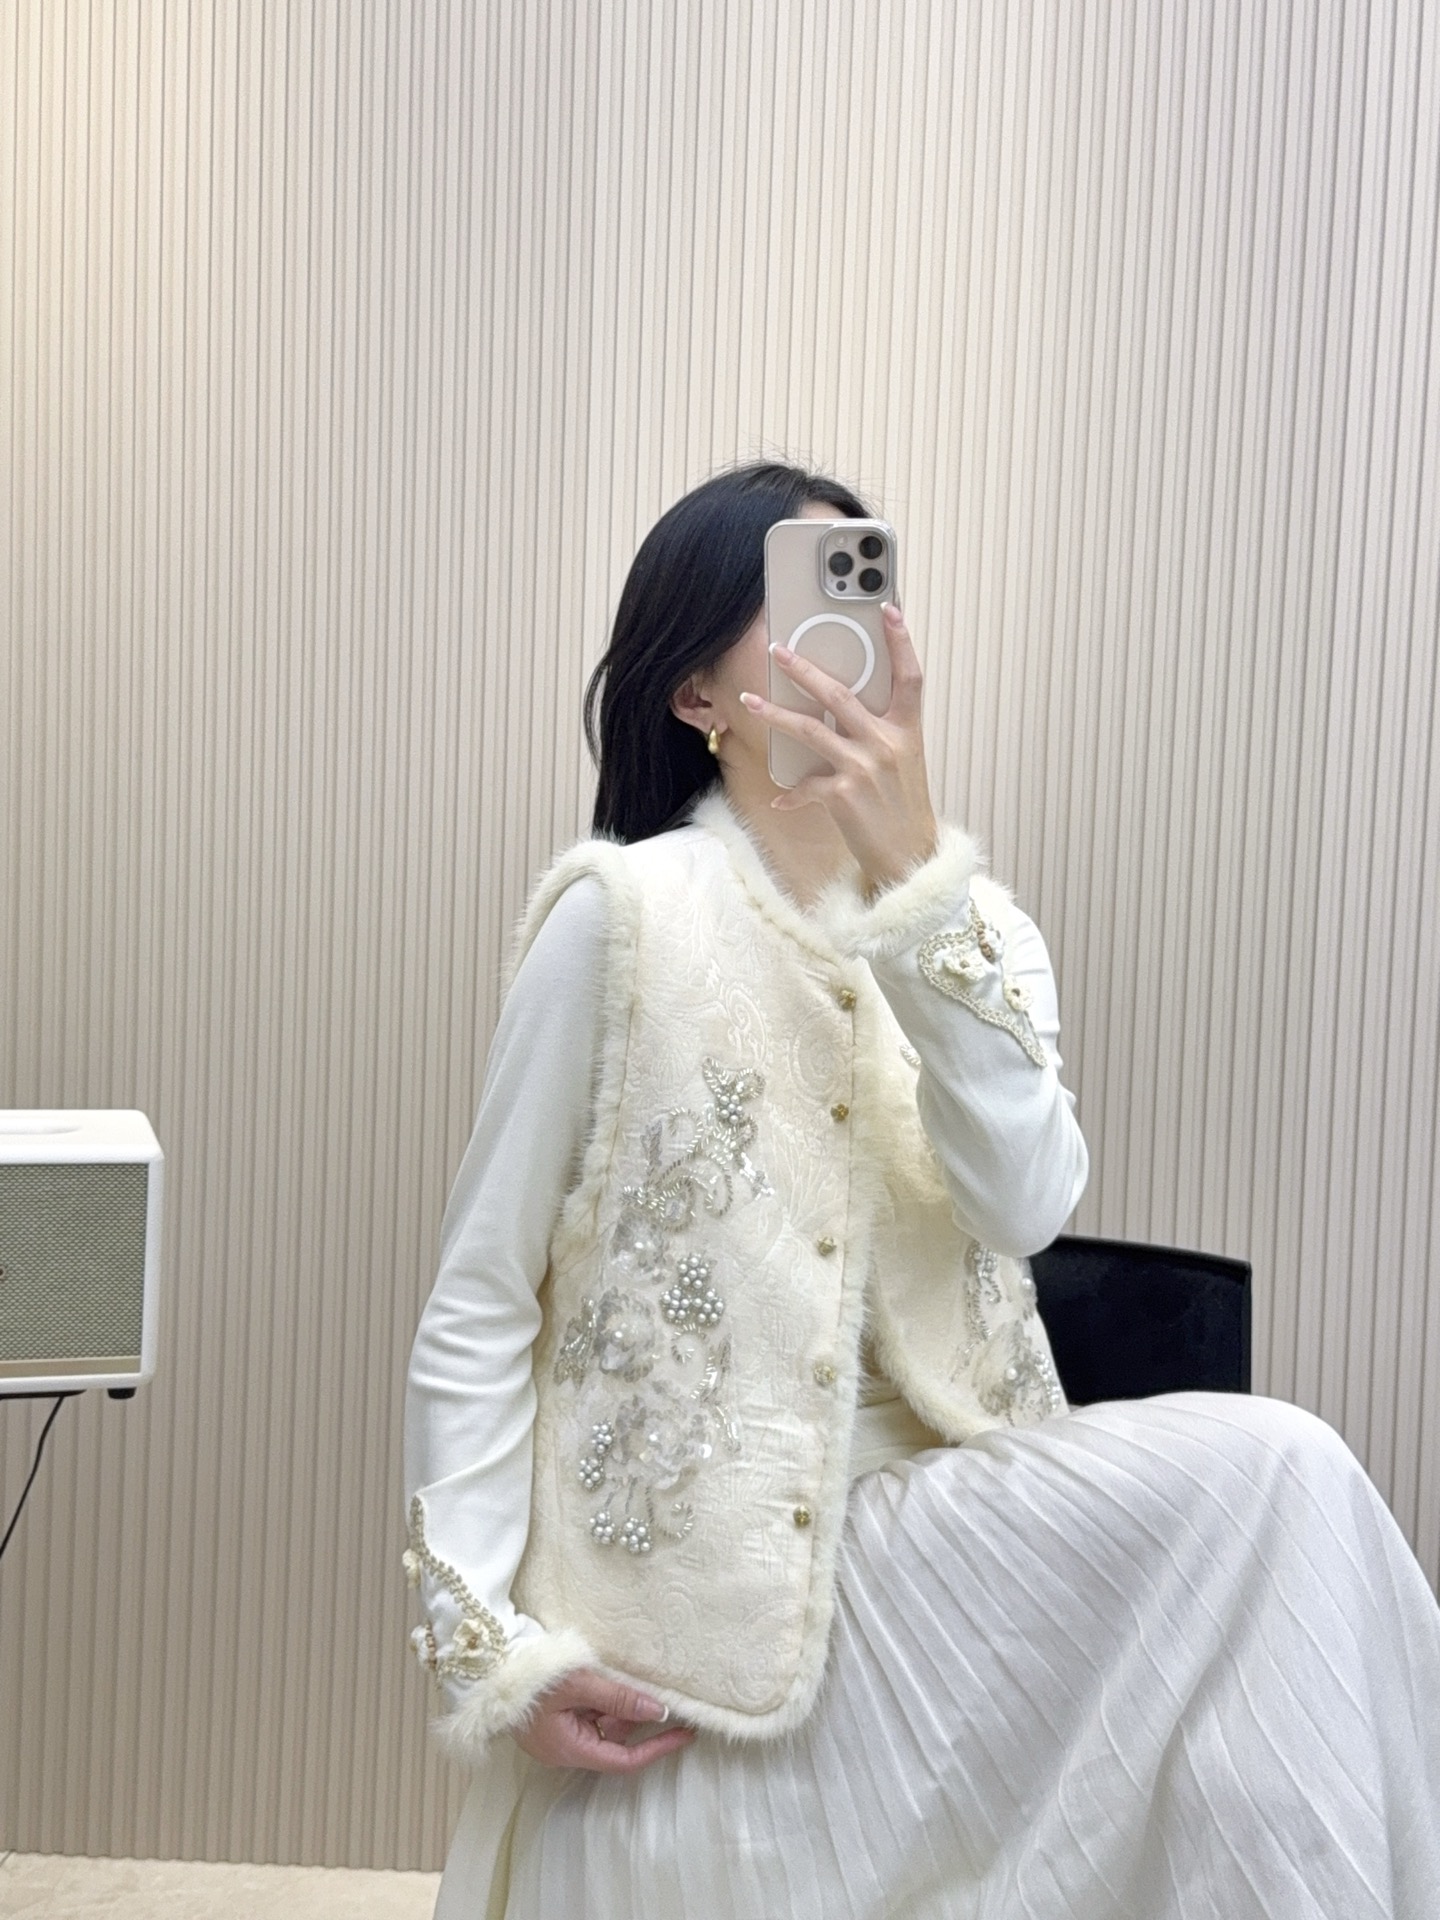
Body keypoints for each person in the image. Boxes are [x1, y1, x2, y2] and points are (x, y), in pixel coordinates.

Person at [404, 462, 1440, 1919]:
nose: (848, 640)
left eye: (866, 589)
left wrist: (917, 893)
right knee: (1283, 1474)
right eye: (796, 604)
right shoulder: (618, 920)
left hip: (961, 1536)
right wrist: (490, 1645)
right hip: (710, 1576)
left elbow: (1026, 1206)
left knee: (1288, 1496)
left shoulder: (971, 929)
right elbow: (478, 1299)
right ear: (696, 694)